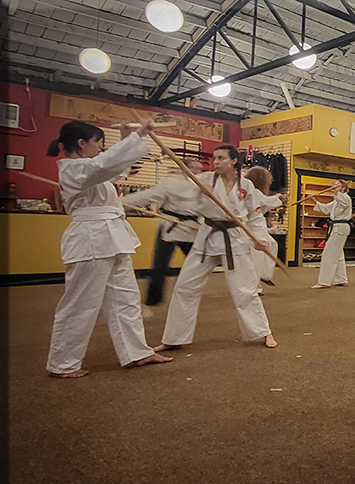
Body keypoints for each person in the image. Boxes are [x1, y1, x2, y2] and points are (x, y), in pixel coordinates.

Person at [46, 120, 172, 378]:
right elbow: (102, 165)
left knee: (126, 299)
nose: (101, 149)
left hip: (113, 237)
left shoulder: (93, 169)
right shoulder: (72, 169)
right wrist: (135, 137)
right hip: (90, 239)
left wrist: (128, 140)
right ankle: (63, 363)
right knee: (81, 303)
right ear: (81, 144)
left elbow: (116, 168)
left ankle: (137, 352)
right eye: (98, 143)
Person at [155, 145, 278, 350]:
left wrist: (259, 238)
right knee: (185, 287)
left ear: (234, 161)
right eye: (214, 158)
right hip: (207, 238)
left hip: (235, 239)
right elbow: (181, 198)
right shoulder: (203, 180)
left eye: (221, 158)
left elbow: (255, 215)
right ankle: (173, 338)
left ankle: (263, 332)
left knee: (244, 290)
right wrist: (199, 194)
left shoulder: (246, 185)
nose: (216, 162)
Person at [122, 158, 203, 309]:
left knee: (197, 264)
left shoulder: (203, 185)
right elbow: (147, 196)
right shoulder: (170, 183)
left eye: (200, 169)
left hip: (192, 228)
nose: (197, 171)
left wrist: (202, 223)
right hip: (170, 226)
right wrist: (119, 203)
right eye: (194, 168)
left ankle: (190, 293)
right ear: (183, 168)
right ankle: (153, 299)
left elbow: (207, 207)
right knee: (159, 265)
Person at [244, 166, 286, 294]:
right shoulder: (253, 191)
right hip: (253, 227)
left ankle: (264, 275)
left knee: (272, 245)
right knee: (256, 257)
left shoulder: (252, 191)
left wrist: (278, 199)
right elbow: (264, 202)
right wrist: (279, 198)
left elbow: (263, 205)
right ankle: (255, 286)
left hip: (256, 225)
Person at [310, 180, 352, 289]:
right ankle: (341, 279)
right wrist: (314, 200)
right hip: (337, 227)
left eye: (336, 185)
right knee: (338, 255)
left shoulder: (345, 198)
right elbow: (325, 209)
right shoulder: (336, 201)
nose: (333, 187)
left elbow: (344, 202)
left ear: (343, 187)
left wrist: (336, 192)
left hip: (340, 227)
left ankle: (324, 281)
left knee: (328, 254)